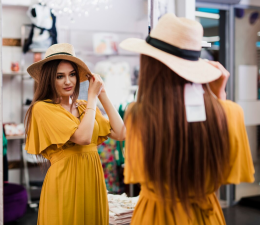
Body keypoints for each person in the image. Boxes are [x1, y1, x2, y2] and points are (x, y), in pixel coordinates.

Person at [120, 13, 255, 225]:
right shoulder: (230, 113)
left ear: (150, 64)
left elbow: (137, 173)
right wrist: (220, 99)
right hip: (206, 216)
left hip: (156, 215)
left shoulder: (137, 115)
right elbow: (228, 174)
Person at [24, 43, 125, 225]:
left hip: (93, 183)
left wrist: (103, 95)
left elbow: (120, 132)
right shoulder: (43, 108)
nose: (68, 81)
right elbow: (83, 138)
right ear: (49, 79)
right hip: (65, 184)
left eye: (72, 75)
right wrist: (92, 97)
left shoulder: (85, 106)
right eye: (59, 76)